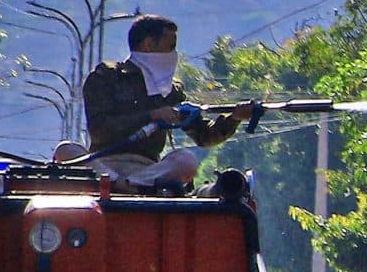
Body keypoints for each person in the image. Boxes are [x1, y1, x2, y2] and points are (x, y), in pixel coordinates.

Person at [79, 15, 256, 190]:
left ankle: (130, 185)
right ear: (148, 45)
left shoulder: (171, 91)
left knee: (186, 160)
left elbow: (204, 136)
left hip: (149, 169)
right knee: (67, 150)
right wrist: (152, 115)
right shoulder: (106, 77)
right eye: (170, 47)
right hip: (103, 165)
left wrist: (235, 118)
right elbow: (98, 130)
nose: (174, 55)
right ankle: (120, 182)